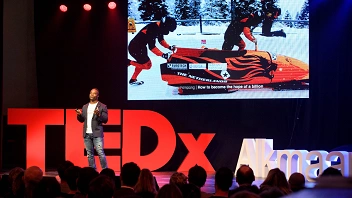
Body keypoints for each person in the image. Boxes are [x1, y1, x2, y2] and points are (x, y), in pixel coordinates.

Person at [128, 16, 177, 85]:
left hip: (141, 47)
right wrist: (163, 55)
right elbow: (152, 47)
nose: (167, 32)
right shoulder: (152, 29)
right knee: (147, 66)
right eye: (168, 30)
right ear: (165, 26)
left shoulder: (159, 27)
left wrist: (169, 47)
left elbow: (161, 40)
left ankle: (133, 80)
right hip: (135, 48)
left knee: (142, 63)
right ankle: (128, 62)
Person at [76, 88, 108, 170]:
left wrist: (99, 115)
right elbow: (82, 120)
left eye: (94, 93)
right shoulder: (85, 106)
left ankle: (105, 170)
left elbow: (105, 120)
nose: (91, 95)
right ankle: (92, 171)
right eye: (90, 93)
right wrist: (79, 115)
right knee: (89, 154)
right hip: (87, 134)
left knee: (100, 153)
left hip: (97, 133)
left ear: (98, 95)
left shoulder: (102, 106)